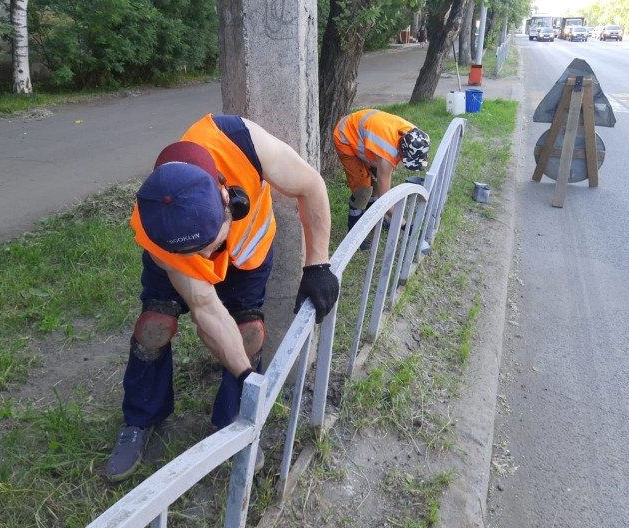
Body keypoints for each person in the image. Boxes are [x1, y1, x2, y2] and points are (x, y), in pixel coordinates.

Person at [106, 114, 340, 482]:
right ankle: (140, 418)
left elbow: (310, 185)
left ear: (228, 198)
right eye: (197, 253)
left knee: (249, 333)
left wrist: (318, 264)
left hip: (250, 254)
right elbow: (205, 310)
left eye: (210, 243)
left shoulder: (244, 144)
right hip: (174, 266)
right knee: (155, 326)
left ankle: (235, 419)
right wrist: (248, 376)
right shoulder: (156, 228)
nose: (206, 257)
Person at [332, 109, 430, 246]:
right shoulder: (386, 153)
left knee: (377, 182)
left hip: (364, 131)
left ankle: (374, 219)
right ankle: (353, 234)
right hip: (345, 136)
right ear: (401, 150)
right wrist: (405, 226)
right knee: (363, 190)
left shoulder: (413, 134)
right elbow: (386, 200)